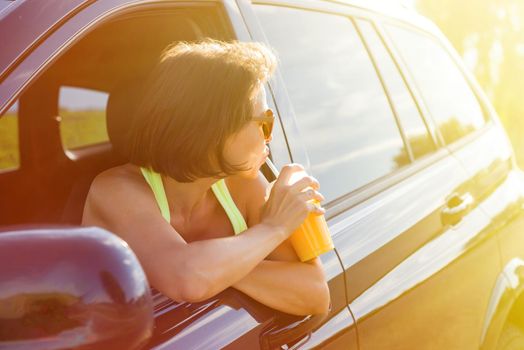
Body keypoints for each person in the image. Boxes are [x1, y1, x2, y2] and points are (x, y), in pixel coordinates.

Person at [82, 38, 330, 316]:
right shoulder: (116, 190)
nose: (268, 136)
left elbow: (316, 294)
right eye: (264, 121)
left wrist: (218, 267)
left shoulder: (242, 184)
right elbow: (189, 280)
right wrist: (274, 229)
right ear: (213, 131)